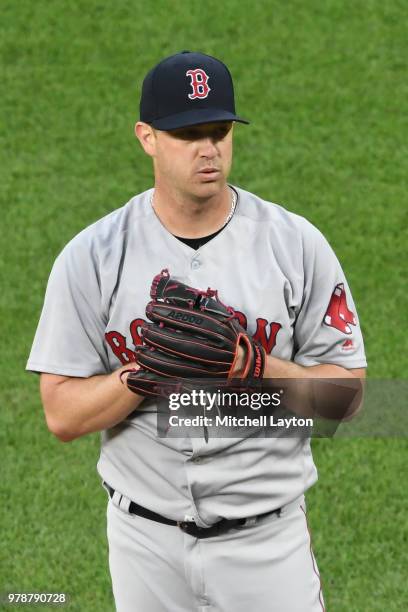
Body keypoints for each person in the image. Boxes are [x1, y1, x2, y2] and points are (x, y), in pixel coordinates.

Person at [27, 50, 367, 611]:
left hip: (267, 546)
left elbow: (349, 401)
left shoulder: (295, 244)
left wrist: (257, 368)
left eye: (219, 130)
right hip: (145, 547)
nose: (208, 149)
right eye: (188, 134)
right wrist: (141, 376)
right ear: (147, 138)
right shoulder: (91, 256)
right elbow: (61, 415)